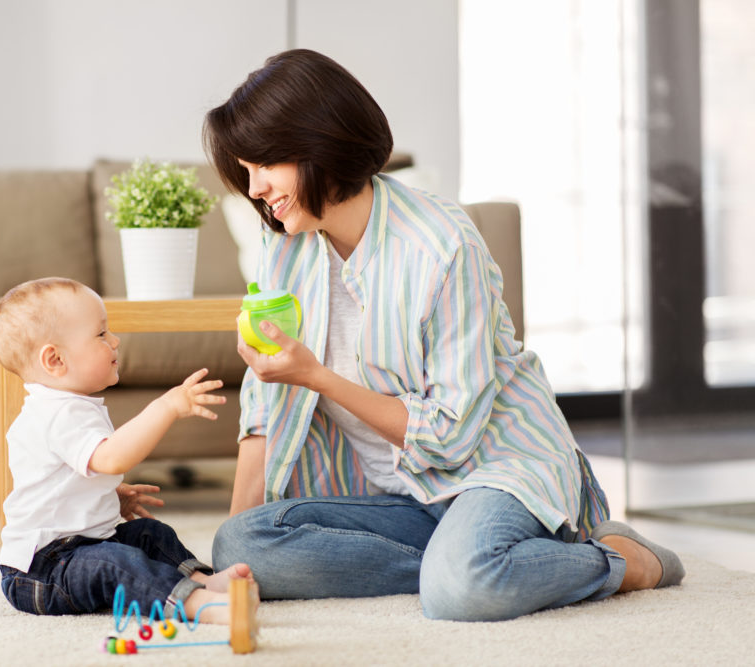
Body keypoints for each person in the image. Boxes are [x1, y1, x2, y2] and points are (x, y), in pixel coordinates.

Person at [203, 49, 684, 621]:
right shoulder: (283, 244)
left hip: (493, 470)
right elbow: (266, 406)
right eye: (247, 171)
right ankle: (480, 559)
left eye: (264, 166)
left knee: (462, 591)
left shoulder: (441, 244)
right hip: (401, 496)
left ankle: (623, 562)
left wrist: (318, 378)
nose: (255, 189)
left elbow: (452, 436)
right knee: (240, 545)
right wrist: (222, 575)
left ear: (318, 144)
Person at [0, 277, 253, 624]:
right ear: (55, 359)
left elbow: (63, 480)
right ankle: (195, 605)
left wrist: (109, 495)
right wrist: (166, 408)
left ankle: (202, 580)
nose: (114, 341)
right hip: (42, 572)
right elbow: (113, 457)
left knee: (148, 534)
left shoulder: (66, 406)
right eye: (101, 335)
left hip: (78, 547)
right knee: (115, 563)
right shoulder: (58, 413)